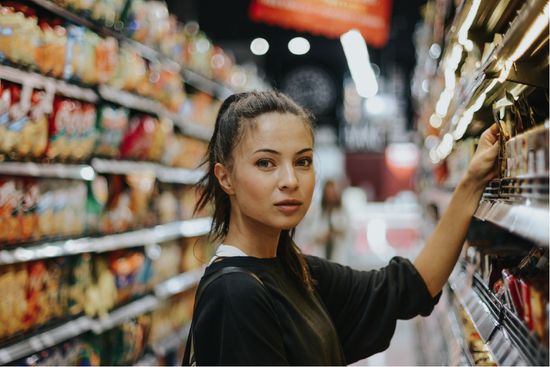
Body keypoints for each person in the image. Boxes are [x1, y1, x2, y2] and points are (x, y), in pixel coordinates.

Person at [182, 91, 499, 365]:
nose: (291, 181)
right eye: (266, 163)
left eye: (303, 161)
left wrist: (473, 181)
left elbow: (409, 287)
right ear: (225, 177)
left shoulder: (294, 270)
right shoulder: (235, 294)